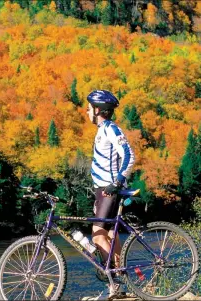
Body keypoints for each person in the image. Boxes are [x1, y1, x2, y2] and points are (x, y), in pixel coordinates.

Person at [86, 90, 135, 299]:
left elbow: (129, 155)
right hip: (103, 189)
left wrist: (117, 182)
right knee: (106, 235)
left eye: (89, 108)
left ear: (98, 110)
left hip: (109, 189)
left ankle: (114, 284)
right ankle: (119, 279)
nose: (86, 111)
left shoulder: (111, 129)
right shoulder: (103, 129)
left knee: (97, 235)